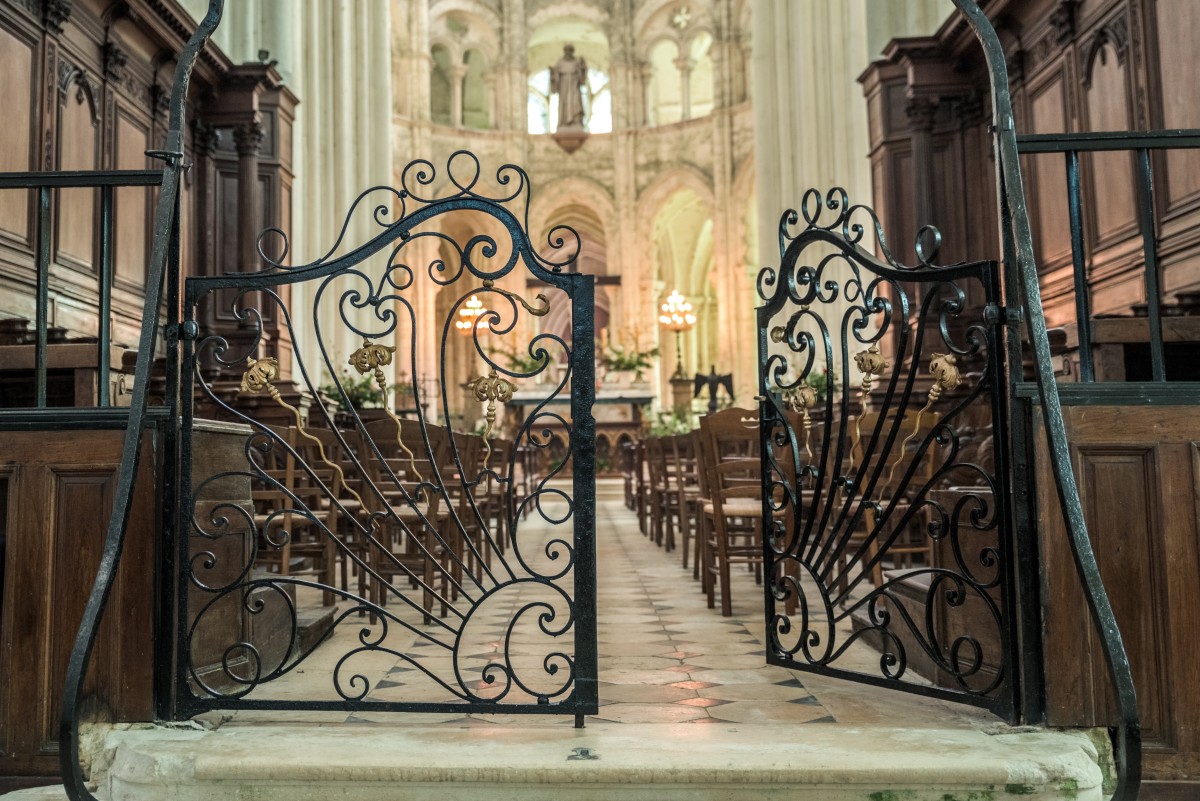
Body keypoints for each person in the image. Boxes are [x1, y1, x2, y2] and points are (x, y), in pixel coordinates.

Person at [550, 44, 588, 131]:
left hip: (574, 86)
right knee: (565, 103)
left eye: (570, 50)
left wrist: (582, 68)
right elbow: (555, 78)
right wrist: (552, 74)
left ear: (572, 51)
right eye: (566, 50)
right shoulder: (560, 62)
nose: (568, 52)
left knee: (575, 102)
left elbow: (582, 78)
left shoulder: (577, 62)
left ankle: (576, 122)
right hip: (564, 88)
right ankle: (564, 122)